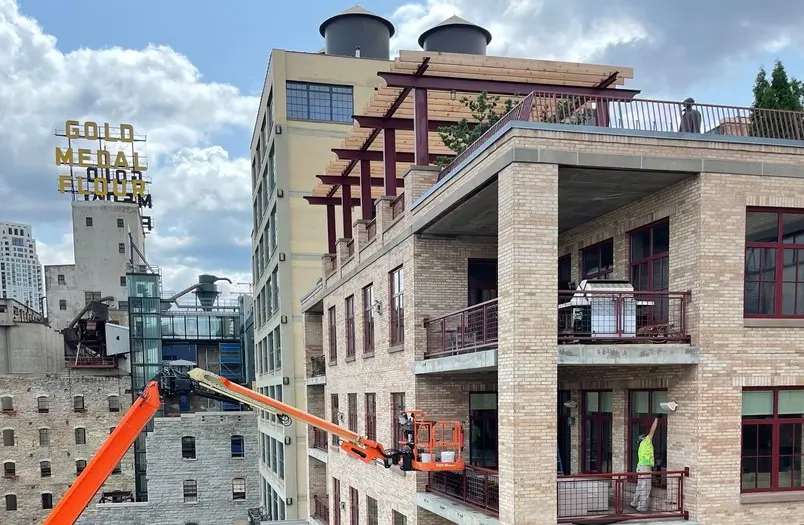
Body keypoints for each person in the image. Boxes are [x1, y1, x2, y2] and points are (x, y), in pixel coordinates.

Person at [631, 416, 660, 512]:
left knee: (640, 486)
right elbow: (652, 431)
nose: (648, 437)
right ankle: (641, 507)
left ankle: (634, 502)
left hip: (640, 467)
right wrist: (656, 419)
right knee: (645, 488)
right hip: (645, 468)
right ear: (643, 438)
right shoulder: (646, 442)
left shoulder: (641, 446)